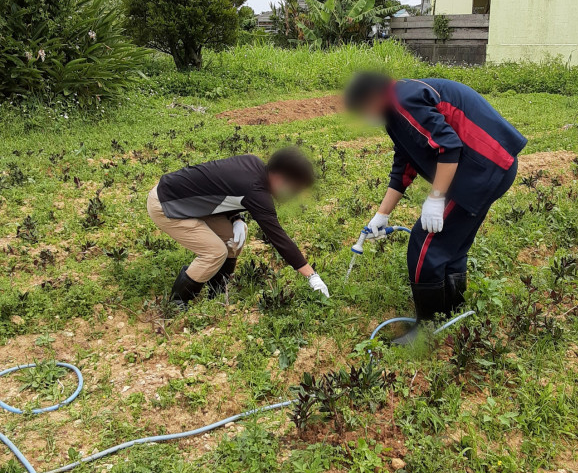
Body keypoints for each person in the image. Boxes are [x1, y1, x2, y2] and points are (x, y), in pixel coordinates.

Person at [345, 72, 527, 344]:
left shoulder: (402, 102)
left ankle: (426, 330)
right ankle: (450, 311)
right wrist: (382, 214)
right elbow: (404, 163)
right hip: (491, 167)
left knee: (425, 241)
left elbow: (449, 145)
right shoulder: (396, 108)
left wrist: (435, 197)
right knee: (452, 246)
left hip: (481, 168)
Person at [147, 147, 330, 308]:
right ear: (279, 177)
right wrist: (311, 276)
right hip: (166, 204)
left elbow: (221, 187)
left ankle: (216, 293)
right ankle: (177, 303)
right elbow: (277, 237)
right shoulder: (256, 191)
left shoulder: (253, 164)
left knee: (232, 240)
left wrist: (236, 218)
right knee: (215, 251)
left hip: (191, 202)